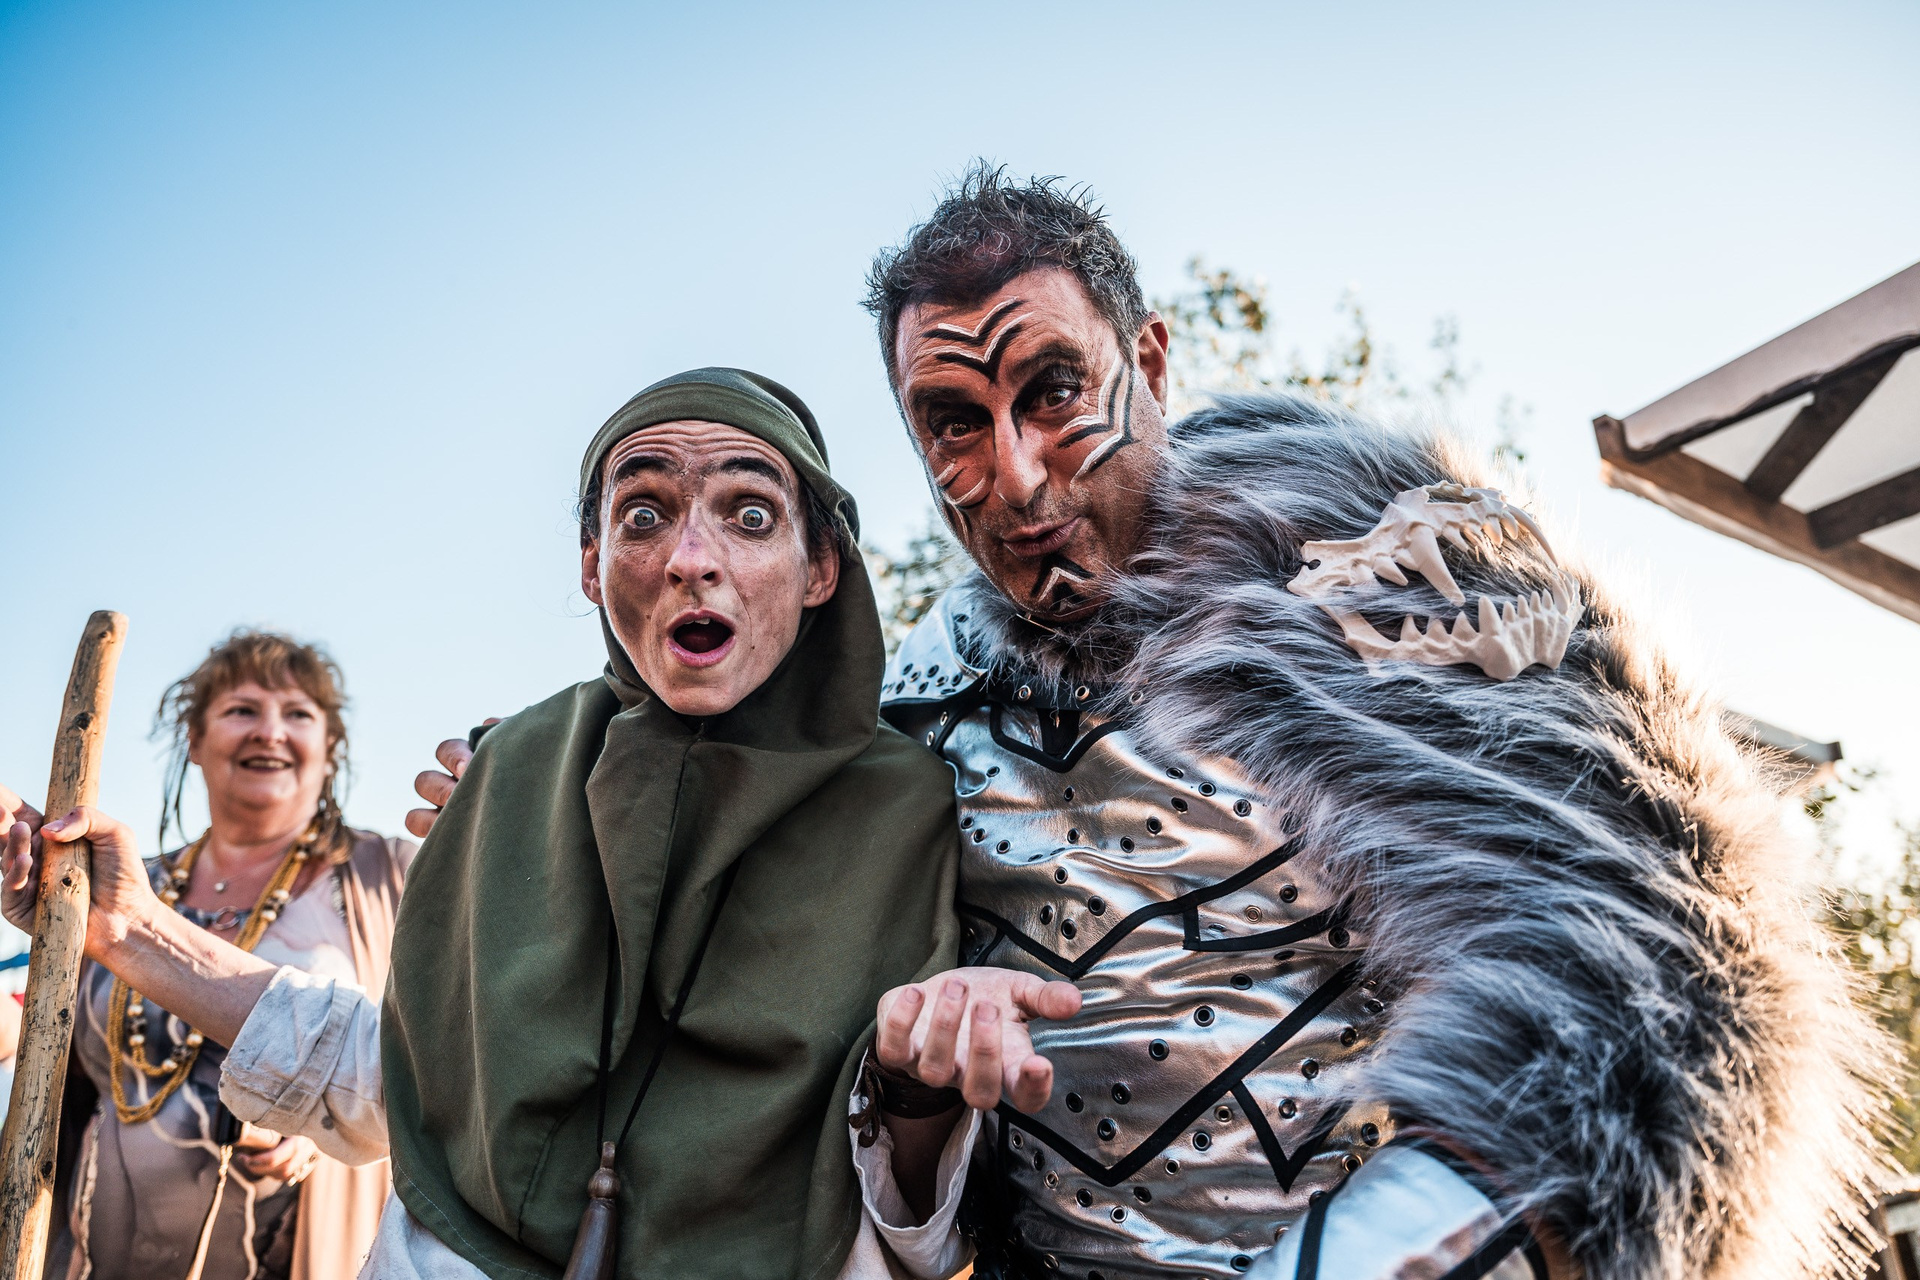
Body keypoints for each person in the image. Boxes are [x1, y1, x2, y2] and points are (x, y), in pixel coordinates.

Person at [407, 177, 1889, 1280]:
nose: (1019, 476)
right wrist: (548, 821)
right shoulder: (907, 724)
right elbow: (743, 982)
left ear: (1154, 363)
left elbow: (1641, 977)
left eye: (1056, 391)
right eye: (955, 424)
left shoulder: (1388, 573)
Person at [5, 368, 1039, 1280]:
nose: (691, 555)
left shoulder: (908, 808)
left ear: (820, 568)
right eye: (643, 513)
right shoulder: (515, 773)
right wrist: (126, 926)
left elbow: (916, 1226)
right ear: (592, 564)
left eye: (751, 514)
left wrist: (920, 1087)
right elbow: (412, 1080)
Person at [1, 630, 409, 1280]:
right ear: (194, 740)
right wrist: (51, 909)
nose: (270, 731)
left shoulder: (392, 878)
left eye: (298, 714)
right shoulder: (123, 878)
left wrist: (326, 1112)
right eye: (243, 710)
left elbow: (441, 1075)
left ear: (330, 745)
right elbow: (26, 1021)